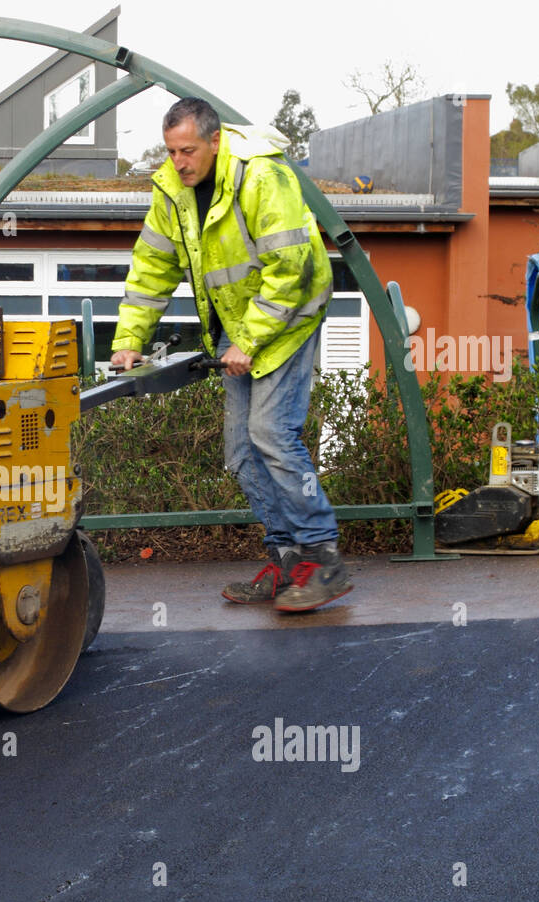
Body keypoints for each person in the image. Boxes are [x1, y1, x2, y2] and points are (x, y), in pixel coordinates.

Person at [110, 96, 351, 612]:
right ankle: (288, 562)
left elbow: (292, 270)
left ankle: (323, 556)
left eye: (189, 151)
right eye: (172, 151)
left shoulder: (261, 176)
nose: (179, 162)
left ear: (215, 141)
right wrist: (129, 339)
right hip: (235, 326)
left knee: (271, 434)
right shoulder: (171, 189)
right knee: (241, 456)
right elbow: (153, 265)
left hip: (285, 319)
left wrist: (250, 339)